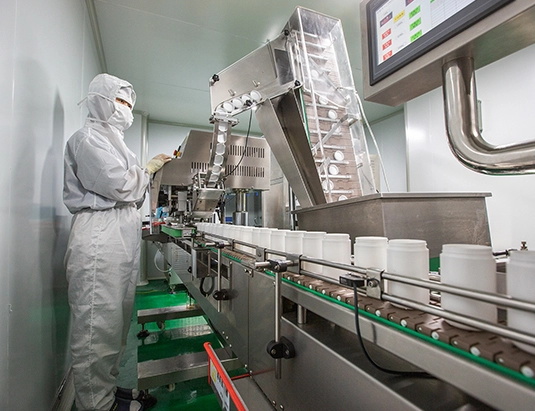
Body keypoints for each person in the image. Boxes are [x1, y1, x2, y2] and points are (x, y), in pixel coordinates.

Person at [63, 73, 171, 411]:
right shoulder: (87, 139)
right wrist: (148, 170)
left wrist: (145, 175)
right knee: (97, 326)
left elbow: (132, 194)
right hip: (100, 238)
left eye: (129, 104)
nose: (126, 109)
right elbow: (122, 186)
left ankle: (106, 391)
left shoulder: (116, 143)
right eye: (120, 101)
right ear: (100, 100)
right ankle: (96, 405)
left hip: (118, 237)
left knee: (115, 323)